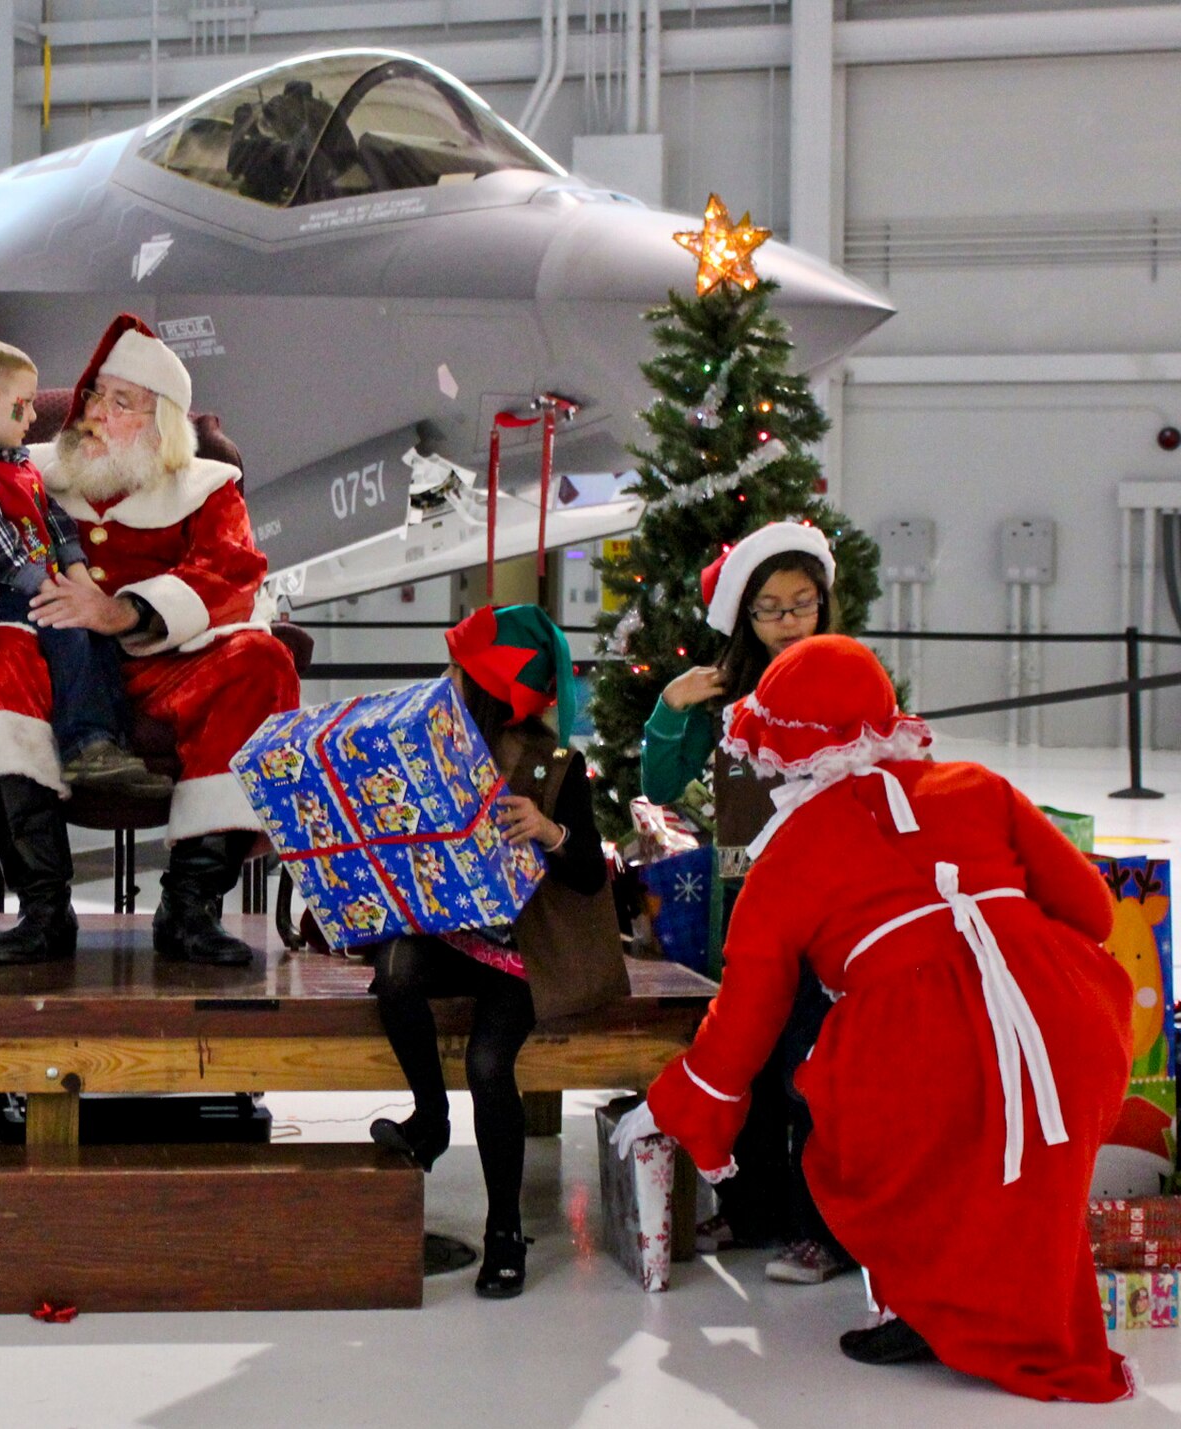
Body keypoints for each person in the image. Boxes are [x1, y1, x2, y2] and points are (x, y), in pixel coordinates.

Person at [612, 635, 1134, 1402]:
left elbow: (744, 1019)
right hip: (1061, 1009)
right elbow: (1091, 906)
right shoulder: (978, 785)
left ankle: (928, 1310)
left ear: (785, 747)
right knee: (1019, 1165)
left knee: (869, 1153)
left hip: (917, 1034)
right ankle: (1009, 1314)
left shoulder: (784, 855)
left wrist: (676, 1100)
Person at [0, 315, 300, 966]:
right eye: (97, 394)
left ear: (162, 423)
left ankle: (190, 908)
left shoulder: (207, 487)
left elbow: (231, 572)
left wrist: (124, 611)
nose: (98, 412)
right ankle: (44, 909)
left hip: (166, 665)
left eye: (122, 401)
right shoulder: (24, 464)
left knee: (262, 661)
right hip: (46, 661)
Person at [367, 605, 615, 1299]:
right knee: (396, 970)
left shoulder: (556, 763)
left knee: (487, 1062)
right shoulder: (431, 747)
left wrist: (550, 829)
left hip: (520, 954)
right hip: (448, 935)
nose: (445, 678)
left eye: (458, 669)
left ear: (488, 685)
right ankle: (430, 1119)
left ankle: (505, 1230)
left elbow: (593, 874)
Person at [639, 520, 847, 1282]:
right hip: (747, 909)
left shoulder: (846, 677)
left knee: (808, 1069)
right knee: (749, 1064)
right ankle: (757, 1212)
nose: (790, 621)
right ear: (744, 615)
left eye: (802, 603)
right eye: (771, 607)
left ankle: (821, 1230)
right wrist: (670, 707)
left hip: (826, 914)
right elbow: (661, 785)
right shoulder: (726, 697)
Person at [0, 335, 169, 816]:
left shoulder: (20, 467)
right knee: (70, 629)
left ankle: (110, 745)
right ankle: (83, 746)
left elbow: (53, 519)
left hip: (35, 585)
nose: (35, 417)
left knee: (98, 635)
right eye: (26, 405)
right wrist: (53, 590)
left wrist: (77, 574)